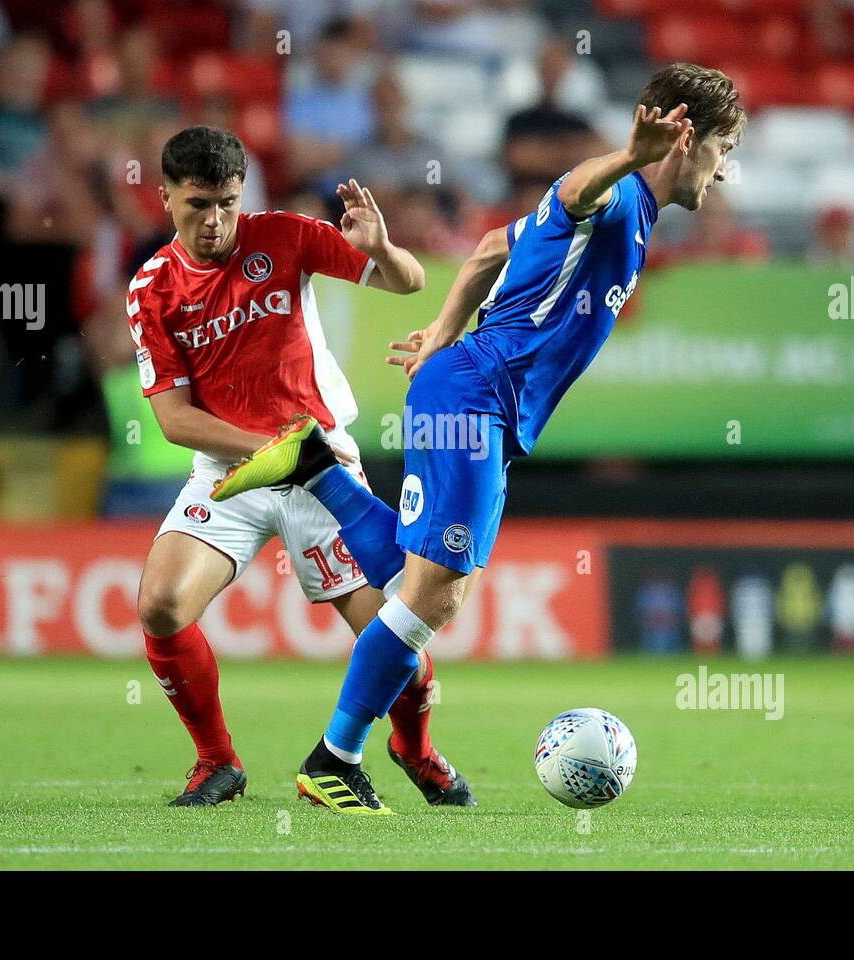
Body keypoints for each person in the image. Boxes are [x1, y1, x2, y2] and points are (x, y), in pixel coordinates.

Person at [212, 63, 744, 813]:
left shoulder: (636, 217)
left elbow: (494, 244)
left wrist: (442, 328)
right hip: (477, 396)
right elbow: (573, 190)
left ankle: (315, 469)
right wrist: (628, 156)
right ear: (686, 139)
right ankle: (333, 758)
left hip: (468, 387)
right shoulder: (620, 193)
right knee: (436, 594)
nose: (725, 174)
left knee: (415, 582)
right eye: (723, 150)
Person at [130, 125, 475, 809]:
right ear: (165, 196)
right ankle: (217, 763)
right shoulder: (152, 289)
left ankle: (415, 745)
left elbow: (407, 284)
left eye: (227, 202)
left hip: (321, 465)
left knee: (391, 631)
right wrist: (264, 451)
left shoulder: (284, 235)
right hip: (233, 469)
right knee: (161, 606)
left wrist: (381, 247)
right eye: (198, 204)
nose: (215, 220)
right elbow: (174, 419)